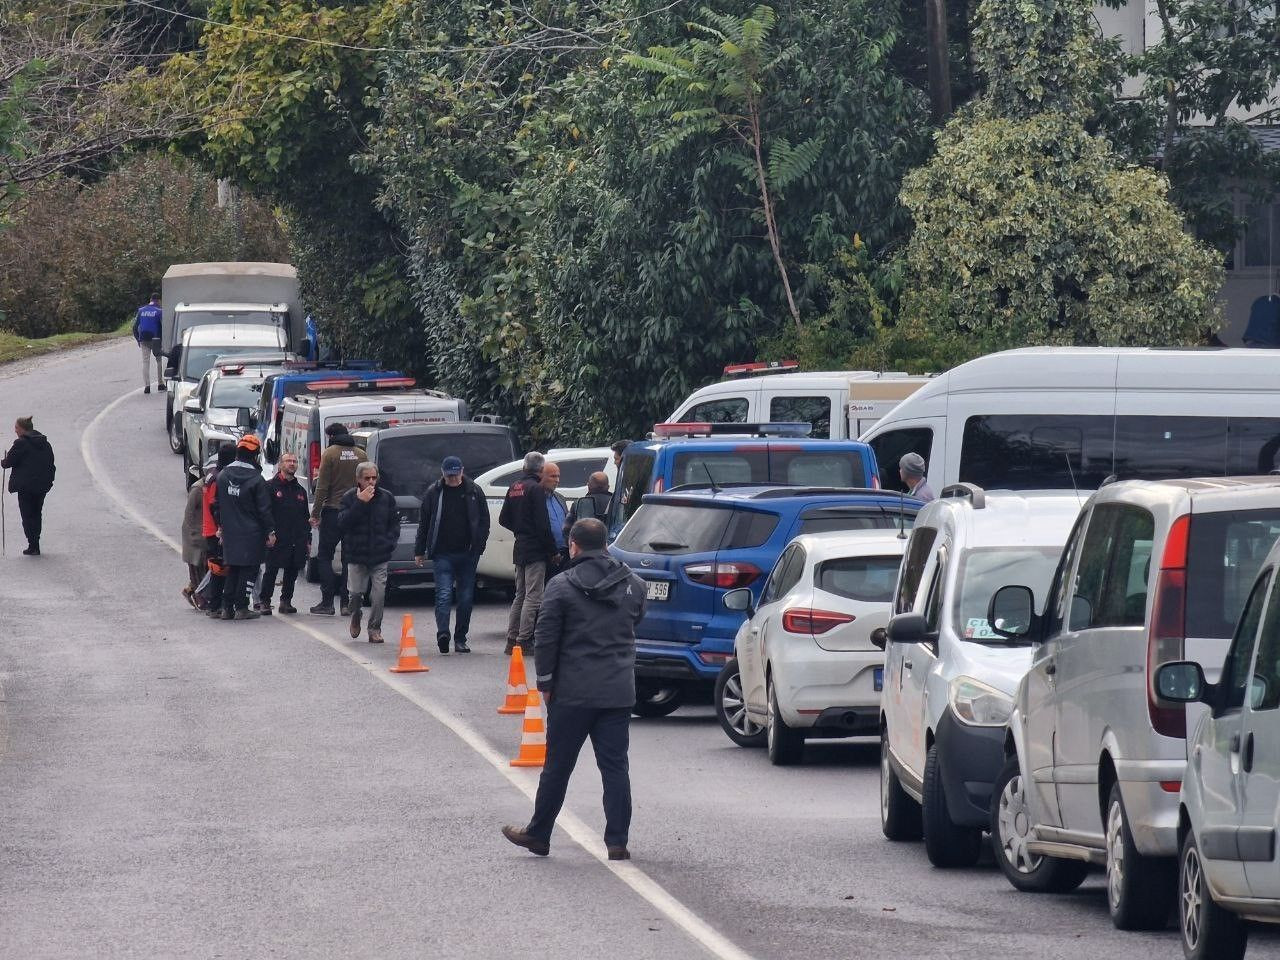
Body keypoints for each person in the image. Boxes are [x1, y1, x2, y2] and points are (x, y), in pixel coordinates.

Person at [502, 518, 646, 860]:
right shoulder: (634, 585)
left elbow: (546, 637)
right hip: (617, 690)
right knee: (615, 766)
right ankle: (617, 841)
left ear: (574, 546)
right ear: (606, 544)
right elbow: (636, 618)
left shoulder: (561, 586)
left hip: (572, 691)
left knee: (558, 765)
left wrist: (545, 683)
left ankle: (539, 833)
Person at [413, 455, 490, 654]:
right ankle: (443, 633)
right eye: (450, 476)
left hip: (468, 553)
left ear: (462, 471)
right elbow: (425, 523)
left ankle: (460, 638)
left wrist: (479, 545)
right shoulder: (433, 493)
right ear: (443, 474)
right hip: (442, 553)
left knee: (465, 598)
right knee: (444, 595)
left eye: (456, 475)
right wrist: (419, 550)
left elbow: (484, 521)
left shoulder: (474, 491)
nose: (453, 479)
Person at [499, 451, 558, 656]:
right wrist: (552, 550)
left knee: (520, 595)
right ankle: (524, 640)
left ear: (524, 467)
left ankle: (511, 639)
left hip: (520, 546)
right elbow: (543, 524)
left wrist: (520, 529)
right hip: (535, 550)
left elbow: (503, 519)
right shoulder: (536, 489)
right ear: (541, 470)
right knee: (534, 596)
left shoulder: (514, 486)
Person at [213, 435, 275, 621]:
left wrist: (221, 527)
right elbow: (265, 509)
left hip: (230, 533)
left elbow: (216, 505)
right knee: (249, 570)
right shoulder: (257, 479)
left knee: (233, 569)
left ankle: (226, 608)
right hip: (252, 535)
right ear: (255, 455)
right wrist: (270, 531)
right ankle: (241, 607)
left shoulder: (223, 476)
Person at [338, 461, 399, 644]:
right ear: (358, 479)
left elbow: (394, 525)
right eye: (367, 478)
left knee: (378, 595)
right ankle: (356, 615)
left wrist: (389, 543)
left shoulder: (386, 497)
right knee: (356, 594)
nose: (371, 482)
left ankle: (374, 628)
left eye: (374, 477)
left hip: (379, 555)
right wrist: (360, 503)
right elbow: (342, 523)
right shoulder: (349, 498)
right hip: (356, 555)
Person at [310, 422, 366, 616]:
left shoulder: (330, 453)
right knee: (348, 558)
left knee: (324, 555)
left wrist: (315, 513)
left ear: (331, 436)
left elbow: (322, 487)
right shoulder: (361, 454)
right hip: (355, 512)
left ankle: (327, 602)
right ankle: (345, 603)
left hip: (333, 511)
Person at [260, 451, 310, 615]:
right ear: (281, 465)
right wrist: (269, 532)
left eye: (295, 461)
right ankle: (265, 601)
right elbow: (265, 512)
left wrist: (307, 540)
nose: (292, 464)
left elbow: (305, 517)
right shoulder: (269, 487)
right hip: (277, 537)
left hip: (297, 538)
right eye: (288, 461)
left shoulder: (300, 491)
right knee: (272, 570)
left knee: (292, 570)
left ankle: (286, 601)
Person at [1, 416, 56, 557]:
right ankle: (35, 543)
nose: (15, 430)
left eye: (16, 428)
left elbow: (8, 463)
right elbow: (51, 464)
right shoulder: (45, 443)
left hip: (26, 486)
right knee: (37, 513)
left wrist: (3, 461)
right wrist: (49, 482)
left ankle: (33, 545)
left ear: (23, 429)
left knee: (27, 515)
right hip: (41, 486)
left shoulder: (21, 443)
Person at [202, 446, 235, 617]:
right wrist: (220, 529)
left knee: (217, 568)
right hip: (215, 531)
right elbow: (214, 505)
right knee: (219, 569)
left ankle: (213, 603)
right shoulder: (218, 478)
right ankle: (213, 604)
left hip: (211, 528)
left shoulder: (212, 474)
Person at [181, 470, 208, 608]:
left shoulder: (211, 486)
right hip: (195, 535)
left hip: (205, 534)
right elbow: (189, 514)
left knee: (204, 567)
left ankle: (191, 590)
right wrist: (195, 535)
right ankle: (199, 597)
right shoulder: (197, 489)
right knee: (197, 565)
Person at [563, 470, 611, 541]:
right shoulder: (616, 502)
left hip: (585, 548)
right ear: (608, 487)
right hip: (611, 547)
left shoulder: (578, 504)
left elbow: (566, 530)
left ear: (588, 486)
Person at [134, 293, 165, 394]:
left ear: (150, 299)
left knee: (145, 362)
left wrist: (138, 339)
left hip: (143, 339)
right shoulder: (159, 311)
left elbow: (135, 327)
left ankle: (147, 386)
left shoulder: (141, 310)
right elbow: (163, 326)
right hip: (156, 339)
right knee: (159, 360)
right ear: (158, 301)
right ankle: (160, 384)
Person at [542, 462, 569, 568]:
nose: (557, 480)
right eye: (553, 476)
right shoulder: (536, 498)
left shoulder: (560, 498)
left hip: (564, 553)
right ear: (541, 476)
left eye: (558, 476)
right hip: (545, 555)